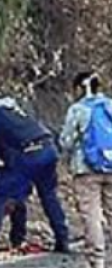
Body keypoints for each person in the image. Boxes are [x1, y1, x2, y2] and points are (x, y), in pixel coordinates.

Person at [60, 72, 112, 268]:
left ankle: (97, 261)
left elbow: (66, 141)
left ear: (79, 88)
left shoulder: (77, 110)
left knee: (91, 215)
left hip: (86, 170)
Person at [0, 97, 71, 252]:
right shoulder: (13, 111)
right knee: (48, 195)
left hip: (29, 153)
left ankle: (17, 239)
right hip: (48, 148)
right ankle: (63, 240)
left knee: (5, 194)